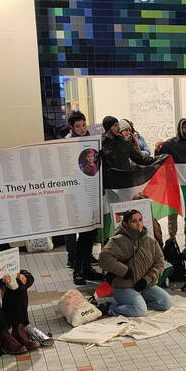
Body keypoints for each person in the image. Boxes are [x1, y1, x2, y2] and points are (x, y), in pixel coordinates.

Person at [97, 209, 174, 317]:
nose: (138, 223)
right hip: (124, 286)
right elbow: (103, 258)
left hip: (144, 285)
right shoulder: (117, 241)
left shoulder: (150, 241)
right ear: (125, 223)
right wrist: (125, 271)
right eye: (134, 221)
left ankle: (136, 304)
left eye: (140, 220)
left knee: (167, 302)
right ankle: (110, 308)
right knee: (140, 311)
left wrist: (146, 280)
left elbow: (159, 263)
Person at [68, 118, 103, 285]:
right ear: (72, 128)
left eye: (83, 125)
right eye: (77, 126)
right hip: (79, 195)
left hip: (93, 193)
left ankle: (87, 268)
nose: (81, 129)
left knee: (91, 234)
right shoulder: (69, 143)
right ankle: (78, 270)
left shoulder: (93, 141)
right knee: (83, 234)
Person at [159, 117, 186, 247]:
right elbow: (160, 155)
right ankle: (172, 237)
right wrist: (158, 148)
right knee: (173, 212)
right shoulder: (171, 144)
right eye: (184, 127)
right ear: (180, 128)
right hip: (174, 184)